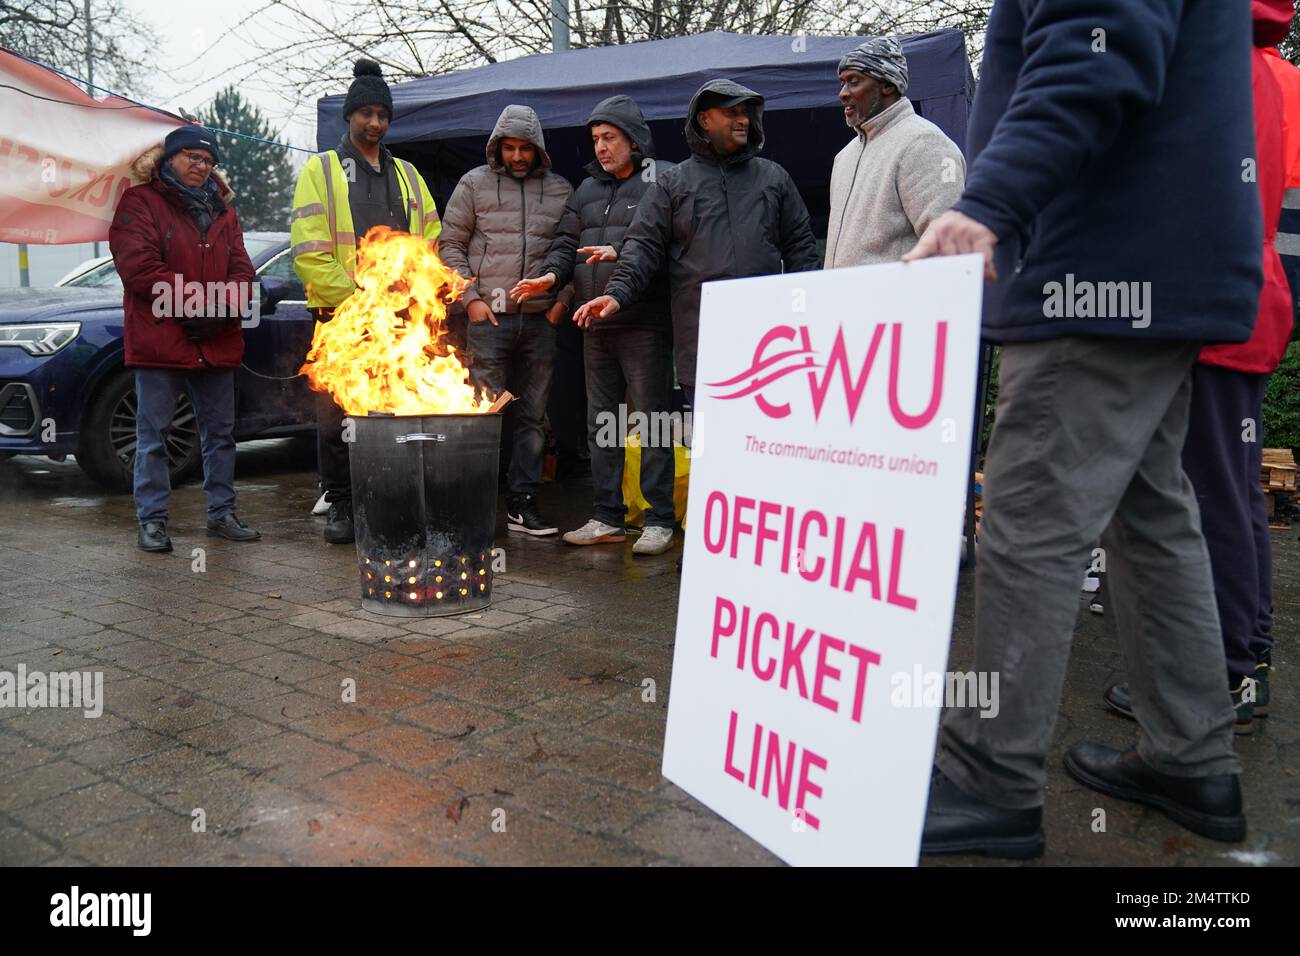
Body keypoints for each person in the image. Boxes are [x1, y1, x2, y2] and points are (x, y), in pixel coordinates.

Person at [903, 0, 1263, 856]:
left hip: (1094, 269)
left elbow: (1096, 57)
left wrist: (989, 201)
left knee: (1029, 522)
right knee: (1149, 517)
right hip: (1152, 270)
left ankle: (989, 776)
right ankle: (1190, 756)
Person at [1102, 0, 1296, 737]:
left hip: (1210, 304)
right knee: (1232, 491)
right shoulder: (1263, 65)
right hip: (1243, 298)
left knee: (1213, 495)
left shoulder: (1213, 59)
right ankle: (1240, 661)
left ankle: (1223, 676)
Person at [574, 79, 821, 404]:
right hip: (702, 340)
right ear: (704, 120)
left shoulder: (773, 177)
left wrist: (810, 312)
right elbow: (642, 246)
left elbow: (802, 248)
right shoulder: (673, 183)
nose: (743, 119)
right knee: (715, 446)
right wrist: (616, 294)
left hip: (770, 340)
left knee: (766, 443)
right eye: (731, 112)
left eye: (745, 112)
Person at [512, 95, 677, 556]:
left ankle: (659, 519)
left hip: (644, 321)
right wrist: (550, 276)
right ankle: (607, 517)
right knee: (601, 423)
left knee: (652, 422)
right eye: (595, 140)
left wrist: (621, 250)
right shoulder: (585, 190)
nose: (601, 148)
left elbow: (669, 240)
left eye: (609, 138)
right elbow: (567, 244)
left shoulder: (662, 180)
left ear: (633, 139)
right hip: (593, 324)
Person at [290, 57, 442, 545]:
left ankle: (391, 500)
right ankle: (340, 503)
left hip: (400, 322)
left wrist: (414, 294)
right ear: (349, 117)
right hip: (341, 319)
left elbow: (431, 242)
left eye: (382, 114)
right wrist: (360, 301)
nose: (375, 123)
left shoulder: (408, 175)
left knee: (395, 414)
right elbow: (309, 250)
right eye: (366, 114)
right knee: (339, 418)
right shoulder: (321, 171)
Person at [109, 124, 260, 553]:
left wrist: (221, 313)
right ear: (169, 158)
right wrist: (200, 307)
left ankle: (222, 514)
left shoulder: (224, 210)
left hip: (217, 340)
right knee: (153, 436)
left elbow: (243, 271)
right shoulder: (140, 202)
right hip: (162, 341)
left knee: (221, 435)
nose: (201, 166)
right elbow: (139, 268)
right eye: (193, 157)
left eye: (209, 160)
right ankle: (152, 521)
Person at [440, 105, 574, 536]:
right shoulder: (474, 183)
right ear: (497, 147)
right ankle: (470, 505)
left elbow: (573, 251)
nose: (517, 156)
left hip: (539, 322)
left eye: (525, 149)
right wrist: (471, 300)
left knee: (534, 416)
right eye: (510, 148)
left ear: (538, 150)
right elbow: (450, 246)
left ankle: (522, 505)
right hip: (488, 322)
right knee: (484, 415)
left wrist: (561, 302)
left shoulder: (560, 190)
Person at [826, 36, 965, 268]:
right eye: (842, 82)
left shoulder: (924, 144)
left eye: (854, 81)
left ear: (888, 85)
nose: (843, 93)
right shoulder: (844, 157)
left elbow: (948, 250)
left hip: (900, 304)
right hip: (842, 303)